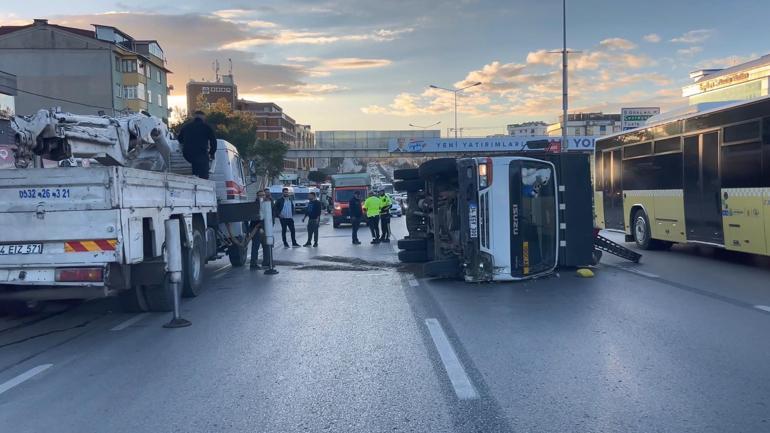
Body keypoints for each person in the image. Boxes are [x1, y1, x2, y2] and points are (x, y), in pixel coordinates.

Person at [178, 110, 217, 179]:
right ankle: (203, 182)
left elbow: (179, 139)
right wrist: (211, 153)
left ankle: (195, 175)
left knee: (195, 164)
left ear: (194, 117)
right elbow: (213, 142)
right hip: (200, 153)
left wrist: (186, 144)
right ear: (203, 117)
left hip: (187, 154)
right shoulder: (206, 127)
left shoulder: (186, 126)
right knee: (203, 170)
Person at [249, 189, 267, 269]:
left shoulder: (267, 204)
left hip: (265, 228)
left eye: (263, 195)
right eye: (260, 195)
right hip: (256, 229)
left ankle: (266, 262)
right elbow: (250, 217)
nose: (262, 197)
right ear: (257, 196)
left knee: (266, 246)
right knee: (255, 247)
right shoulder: (254, 205)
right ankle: (253, 264)